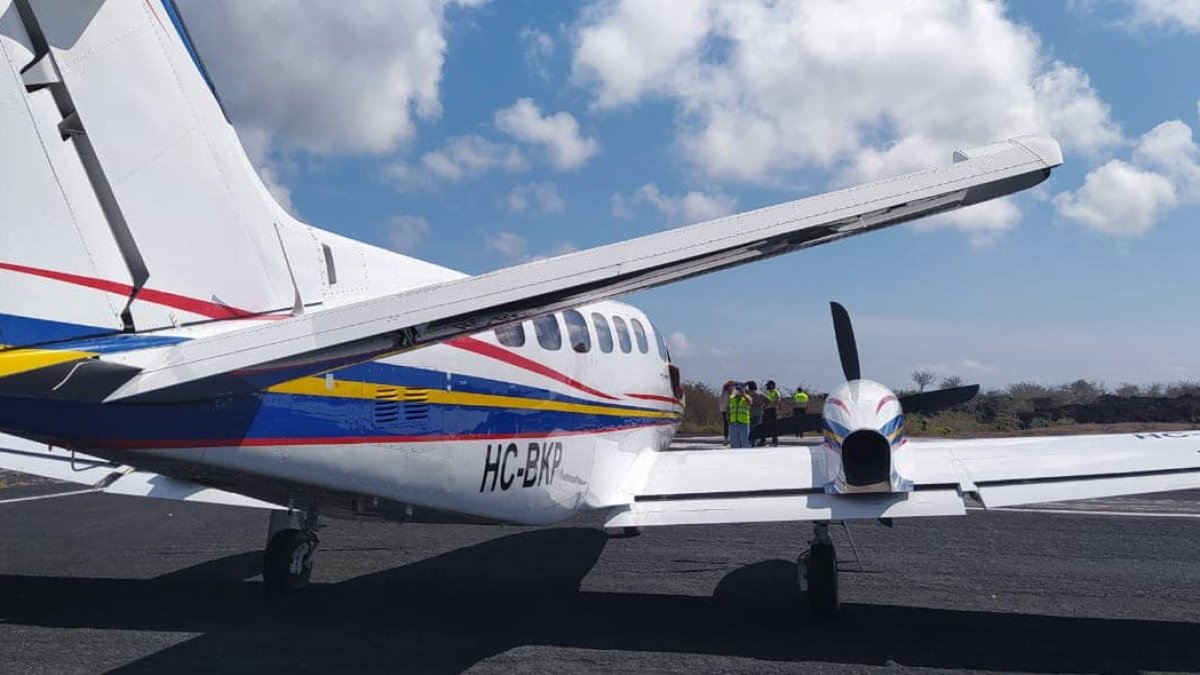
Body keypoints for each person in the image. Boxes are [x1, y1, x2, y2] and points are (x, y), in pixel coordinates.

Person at [727, 384, 752, 448]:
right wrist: (729, 420)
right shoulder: (731, 398)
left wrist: (743, 395)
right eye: (737, 389)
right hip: (733, 424)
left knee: (745, 442)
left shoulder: (747, 397)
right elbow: (728, 410)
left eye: (739, 389)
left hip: (743, 423)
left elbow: (750, 403)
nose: (738, 391)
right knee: (734, 443)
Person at [746, 381, 765, 447]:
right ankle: (754, 441)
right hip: (759, 411)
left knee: (749, 428)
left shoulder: (748, 393)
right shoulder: (760, 393)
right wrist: (764, 405)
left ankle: (750, 441)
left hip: (750, 411)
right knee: (756, 427)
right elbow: (768, 399)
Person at [762, 380, 781, 446]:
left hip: (773, 410)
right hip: (765, 411)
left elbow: (777, 402)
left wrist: (768, 404)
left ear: (772, 385)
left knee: (774, 426)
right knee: (764, 426)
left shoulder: (776, 392)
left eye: (768, 385)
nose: (767, 386)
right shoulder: (766, 392)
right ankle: (763, 440)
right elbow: (763, 401)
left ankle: (775, 441)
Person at [719, 381, 733, 445]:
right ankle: (730, 438)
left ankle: (726, 438)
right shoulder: (730, 392)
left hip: (724, 410)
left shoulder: (723, 392)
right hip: (729, 410)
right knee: (731, 424)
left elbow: (721, 401)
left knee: (726, 424)